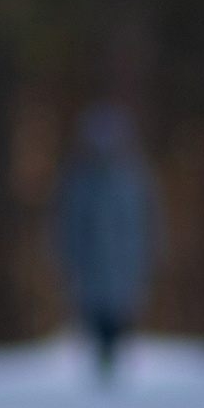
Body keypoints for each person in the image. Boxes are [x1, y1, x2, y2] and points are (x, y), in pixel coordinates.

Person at [52, 103, 158, 383]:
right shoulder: (79, 180)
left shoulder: (133, 179)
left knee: (117, 321)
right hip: (91, 271)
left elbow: (147, 224)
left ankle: (114, 369)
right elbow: (68, 226)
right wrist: (68, 260)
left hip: (124, 268)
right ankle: (103, 370)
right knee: (96, 321)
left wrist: (146, 259)